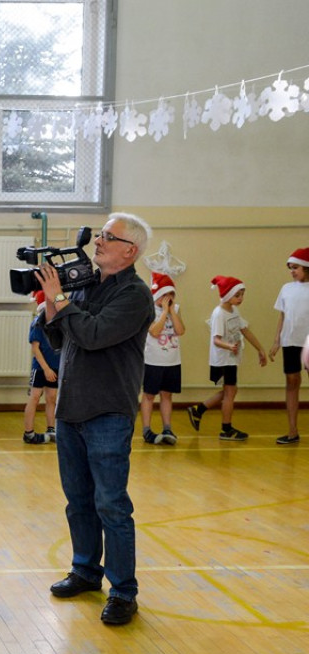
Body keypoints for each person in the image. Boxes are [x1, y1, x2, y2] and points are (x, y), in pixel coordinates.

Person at [36, 212, 155, 626]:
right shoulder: (86, 284)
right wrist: (52, 301)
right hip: (71, 408)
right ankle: (86, 570)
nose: (99, 241)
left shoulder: (136, 295)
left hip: (107, 411)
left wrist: (62, 300)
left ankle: (123, 591)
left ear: (130, 250)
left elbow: (93, 335)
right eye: (100, 234)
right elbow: (58, 336)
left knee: (112, 505)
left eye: (108, 237)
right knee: (79, 501)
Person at [186, 276, 268, 441]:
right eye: (237, 295)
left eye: (242, 294)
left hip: (231, 358)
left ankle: (199, 410)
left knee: (231, 391)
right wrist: (229, 346)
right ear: (227, 294)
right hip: (223, 359)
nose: (241, 299)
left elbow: (245, 330)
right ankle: (226, 429)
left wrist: (260, 349)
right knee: (230, 392)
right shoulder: (219, 314)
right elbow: (216, 340)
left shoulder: (234, 311)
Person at [269, 247, 309, 445]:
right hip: (290, 341)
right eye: (290, 268)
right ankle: (292, 431)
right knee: (292, 382)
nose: (292, 271)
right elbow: (282, 316)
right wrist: (277, 340)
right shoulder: (286, 288)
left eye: (296, 267)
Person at [140, 273, 186, 445]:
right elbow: (154, 331)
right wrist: (164, 311)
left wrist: (172, 311)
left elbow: (180, 331)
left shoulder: (177, 309)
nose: (168, 298)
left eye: (171, 295)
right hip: (153, 360)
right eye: (165, 295)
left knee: (167, 395)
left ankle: (167, 428)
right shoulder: (149, 309)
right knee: (149, 395)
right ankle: (146, 429)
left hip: (172, 360)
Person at [22, 290, 59, 445]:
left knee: (52, 398)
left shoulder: (58, 323)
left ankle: (51, 429)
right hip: (41, 368)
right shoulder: (38, 323)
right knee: (35, 397)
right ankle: (29, 432)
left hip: (55, 367)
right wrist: (46, 369)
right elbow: (35, 348)